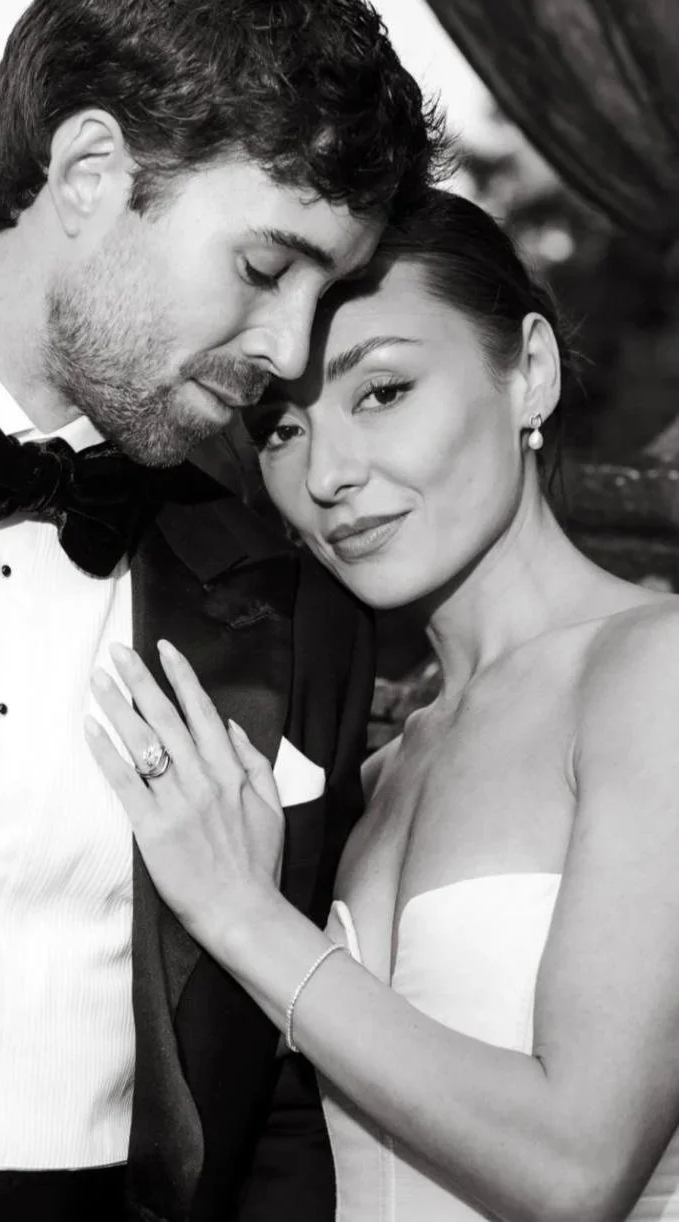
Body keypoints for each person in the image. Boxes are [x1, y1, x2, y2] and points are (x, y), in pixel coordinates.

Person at [0, 3, 443, 1220]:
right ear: (88, 171)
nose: (288, 350)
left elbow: (285, 1093)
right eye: (264, 266)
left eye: (321, 291)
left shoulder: (298, 603)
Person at [87, 189, 679, 1221]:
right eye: (279, 426)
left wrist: (239, 911)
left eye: (381, 392)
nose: (327, 475)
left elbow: (575, 1166)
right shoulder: (377, 764)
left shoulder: (652, 673)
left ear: (527, 370)